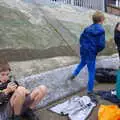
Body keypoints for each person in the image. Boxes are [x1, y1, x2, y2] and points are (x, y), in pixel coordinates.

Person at [69, 11, 105, 94]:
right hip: (91, 52)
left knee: (83, 62)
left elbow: (81, 39)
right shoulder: (101, 30)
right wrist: (96, 50)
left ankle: (74, 73)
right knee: (91, 71)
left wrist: (84, 47)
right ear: (101, 20)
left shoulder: (87, 29)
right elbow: (101, 45)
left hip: (84, 50)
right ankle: (90, 90)